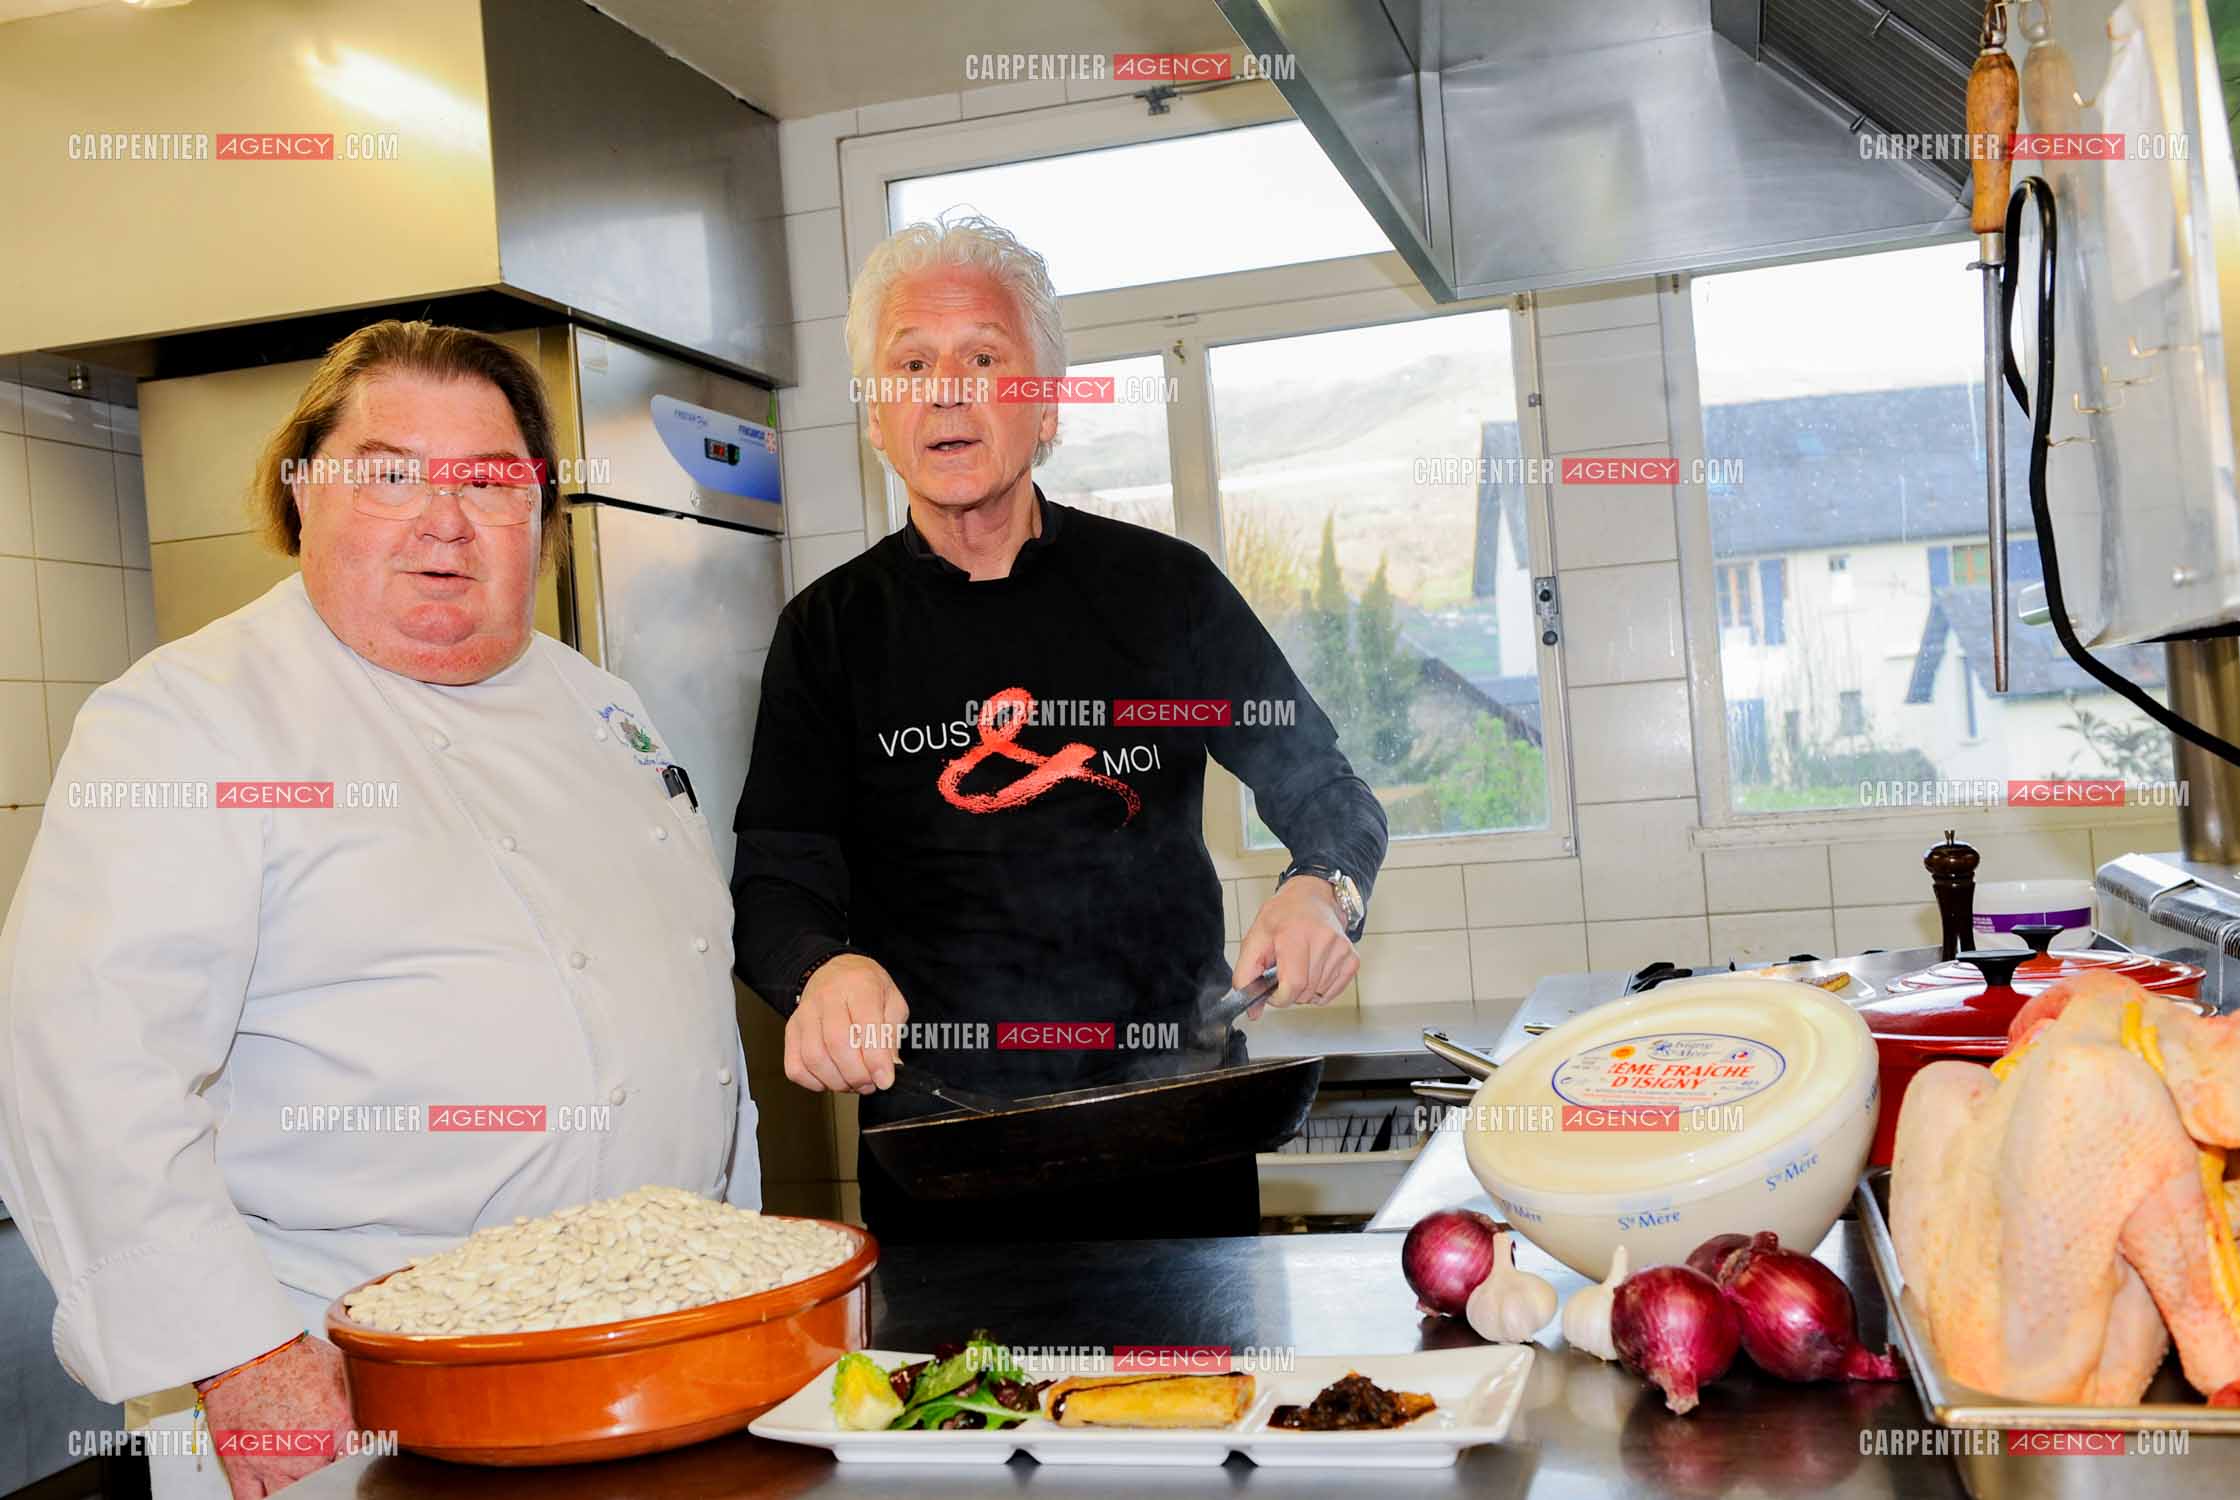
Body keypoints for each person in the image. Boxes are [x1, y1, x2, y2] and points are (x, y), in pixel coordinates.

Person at [0, 321, 760, 1499]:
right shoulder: (193, 721)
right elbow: (79, 1071)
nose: (443, 520)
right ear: (302, 490)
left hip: (656, 1354)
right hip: (353, 1389)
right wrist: (244, 1361)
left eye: (489, 481)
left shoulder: (597, 703)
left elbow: (680, 1019)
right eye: (389, 474)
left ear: (540, 515)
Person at [731, 216, 1386, 1243]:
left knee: (1193, 1398)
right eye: (910, 363)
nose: (945, 389)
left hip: (1173, 1123)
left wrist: (1322, 888)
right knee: (963, 1403)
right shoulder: (828, 634)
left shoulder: (1163, 591)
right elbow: (777, 875)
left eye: (983, 358)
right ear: (876, 416)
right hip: (940, 1145)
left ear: (1044, 409)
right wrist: (821, 969)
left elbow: (1325, 789)